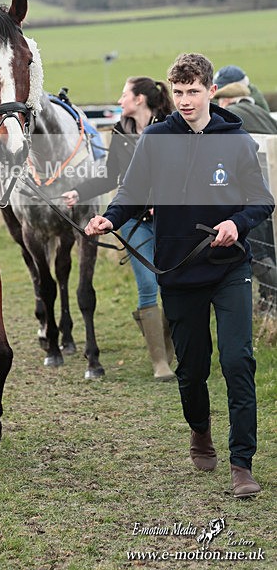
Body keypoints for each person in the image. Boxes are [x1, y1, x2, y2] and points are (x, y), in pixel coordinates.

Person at [85, 53, 274, 498]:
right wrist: (110, 218)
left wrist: (236, 223)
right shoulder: (154, 139)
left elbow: (261, 201)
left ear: (211, 91)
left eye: (193, 91)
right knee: (192, 370)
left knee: (237, 362)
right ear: (170, 92)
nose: (186, 100)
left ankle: (241, 464)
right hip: (179, 270)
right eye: (179, 92)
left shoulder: (237, 138)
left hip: (230, 268)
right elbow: (131, 194)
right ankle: (200, 431)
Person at [63, 77, 176, 381]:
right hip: (134, 222)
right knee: (148, 285)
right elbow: (112, 177)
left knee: (172, 284)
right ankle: (160, 363)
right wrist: (79, 192)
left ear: (140, 99)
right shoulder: (120, 132)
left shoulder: (171, 127)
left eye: (125, 94)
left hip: (172, 221)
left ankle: (170, 349)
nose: (120, 98)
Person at [213, 82, 277, 310]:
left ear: (226, 101)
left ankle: (274, 300)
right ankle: (267, 301)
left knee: (257, 251)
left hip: (254, 192)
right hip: (270, 187)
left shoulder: (233, 115)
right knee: (269, 248)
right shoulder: (262, 113)